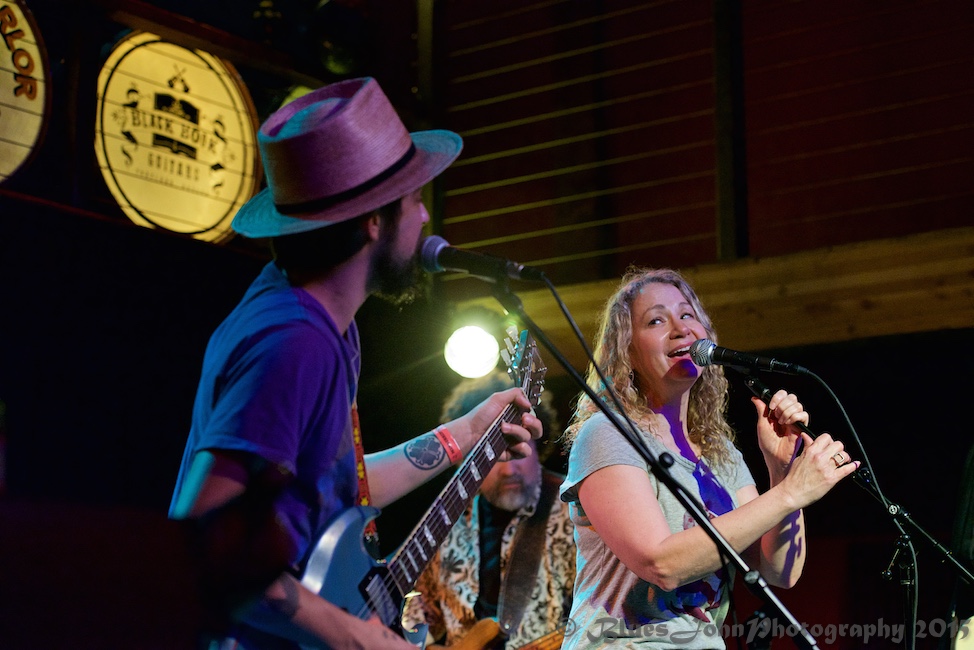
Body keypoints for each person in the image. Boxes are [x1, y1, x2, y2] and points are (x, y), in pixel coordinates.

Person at [168, 77, 542, 650]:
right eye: (414, 200)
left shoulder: (326, 328)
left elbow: (339, 487)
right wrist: (356, 638)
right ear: (373, 220)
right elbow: (207, 536)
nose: (423, 220)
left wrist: (464, 434)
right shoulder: (293, 343)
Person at [558, 267, 860, 649]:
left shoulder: (721, 453)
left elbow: (779, 570)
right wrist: (791, 493)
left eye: (687, 315)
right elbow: (661, 565)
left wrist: (781, 472)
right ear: (628, 352)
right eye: (656, 320)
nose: (681, 328)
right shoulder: (608, 433)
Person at [413, 370, 575, 649]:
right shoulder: (445, 521)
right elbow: (417, 617)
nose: (509, 468)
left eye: (518, 450)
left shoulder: (577, 511)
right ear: (468, 461)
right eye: (494, 455)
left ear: (537, 442)